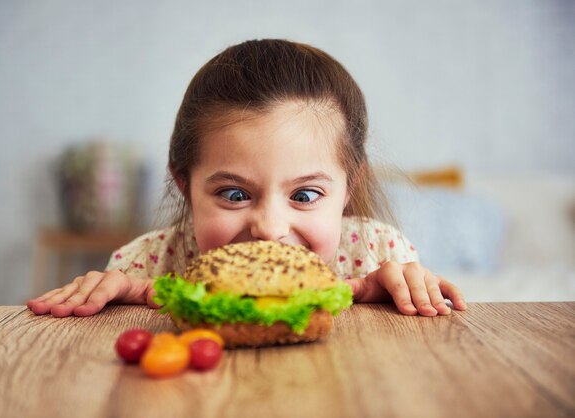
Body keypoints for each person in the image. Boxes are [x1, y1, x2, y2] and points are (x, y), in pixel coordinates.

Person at [28, 39, 466, 319]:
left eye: (306, 194)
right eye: (235, 194)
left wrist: (403, 296)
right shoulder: (142, 266)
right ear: (185, 185)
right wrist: (111, 302)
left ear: (349, 187)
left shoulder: (377, 255)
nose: (270, 228)